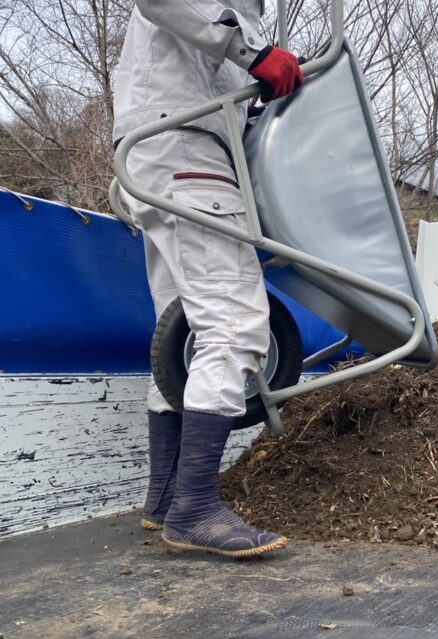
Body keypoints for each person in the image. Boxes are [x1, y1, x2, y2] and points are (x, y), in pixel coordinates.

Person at [113, 1, 304, 558]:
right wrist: (253, 55)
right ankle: (195, 508)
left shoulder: (246, 8)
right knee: (234, 324)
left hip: (164, 148)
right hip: (185, 148)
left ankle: (168, 496)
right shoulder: (235, 13)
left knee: (183, 335)